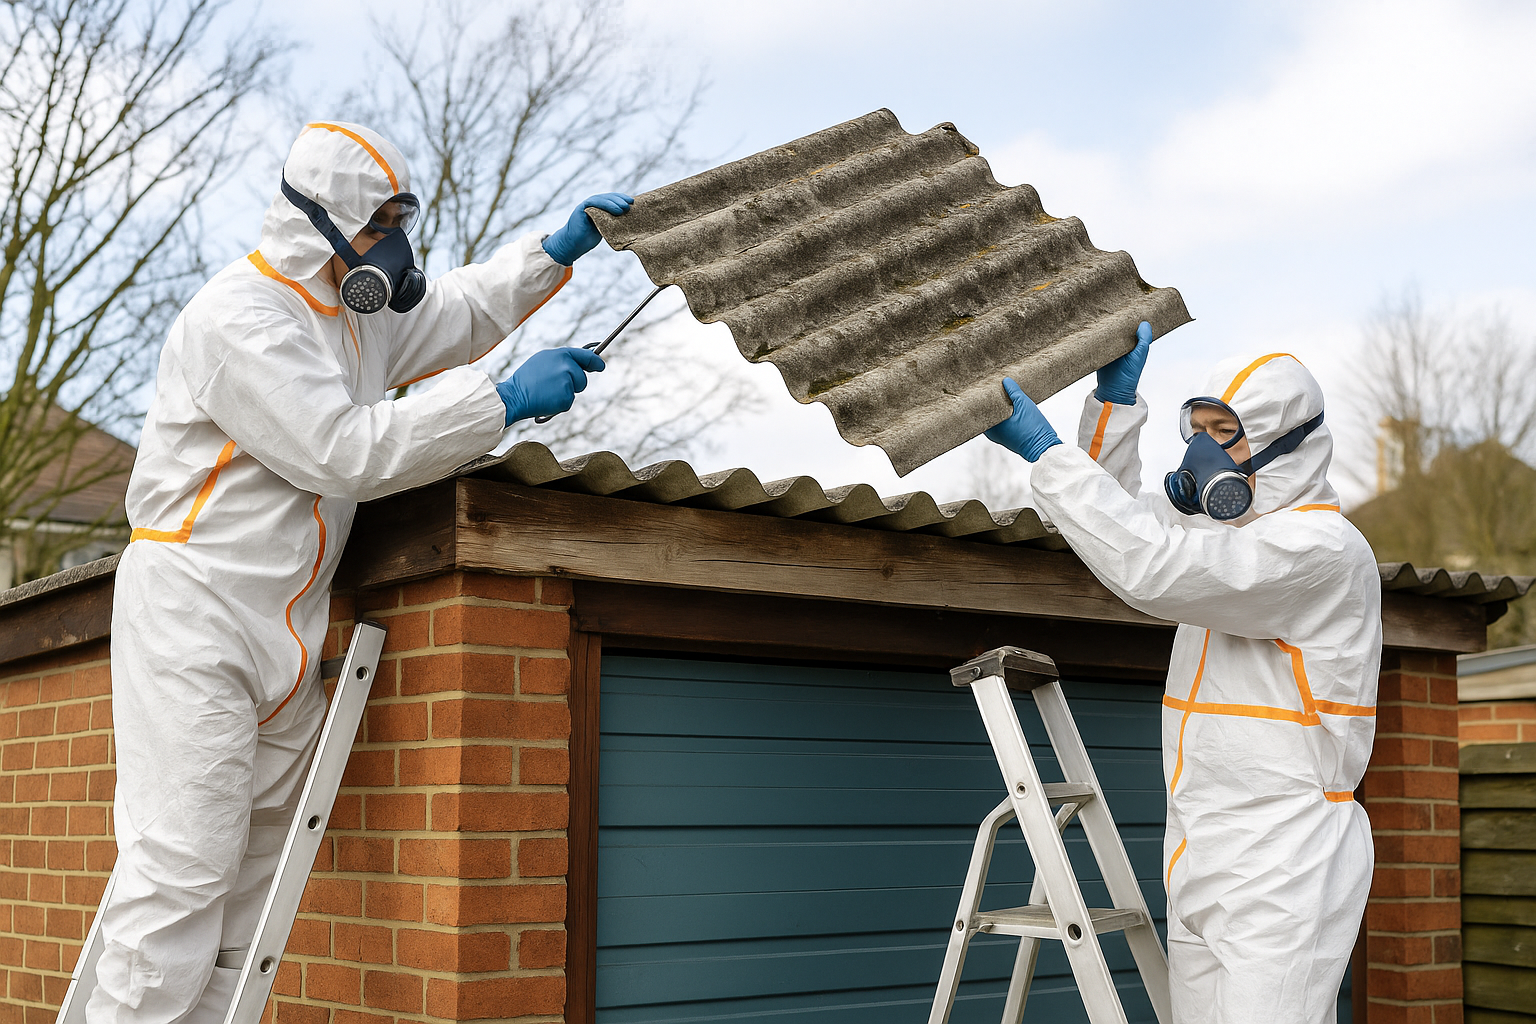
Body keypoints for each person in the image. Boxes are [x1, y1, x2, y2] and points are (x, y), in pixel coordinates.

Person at [93, 121, 632, 1024]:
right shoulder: (240, 319)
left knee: (246, 890)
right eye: (379, 220)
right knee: (181, 870)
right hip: (194, 612)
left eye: (401, 217)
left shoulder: (355, 314)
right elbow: (341, 452)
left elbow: (456, 314)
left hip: (288, 630)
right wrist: (500, 401)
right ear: (323, 222)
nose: (396, 241)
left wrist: (554, 250)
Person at [984, 324, 1379, 1024]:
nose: (1202, 450)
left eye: (1224, 431)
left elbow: (1153, 567)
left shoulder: (1321, 550)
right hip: (1200, 847)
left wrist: (1047, 455)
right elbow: (1119, 522)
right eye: (1195, 428)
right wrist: (1115, 407)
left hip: (1284, 859)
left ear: (1289, 439)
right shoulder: (1227, 533)